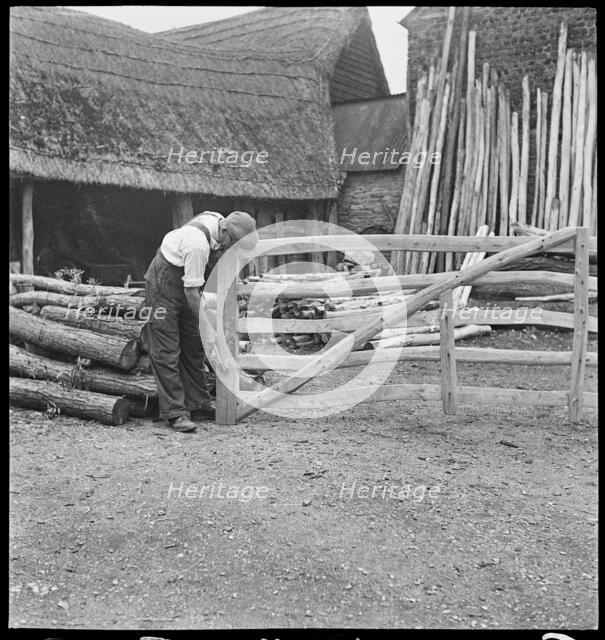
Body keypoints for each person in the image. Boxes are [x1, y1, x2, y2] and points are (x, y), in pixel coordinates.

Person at [144, 210, 258, 432]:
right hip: (163, 284)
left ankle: (197, 404)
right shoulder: (198, 245)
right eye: (230, 243)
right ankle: (175, 413)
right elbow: (192, 294)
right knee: (166, 349)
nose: (228, 248)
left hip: (185, 281)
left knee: (195, 346)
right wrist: (208, 327)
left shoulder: (215, 218)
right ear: (224, 231)